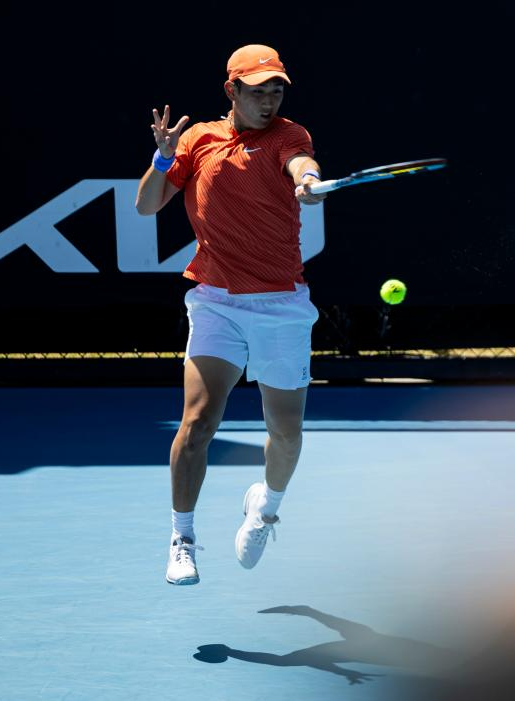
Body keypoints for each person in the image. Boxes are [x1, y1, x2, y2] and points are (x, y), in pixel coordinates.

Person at [135, 44, 326, 585]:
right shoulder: (197, 140)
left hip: (281, 305)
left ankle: (265, 507)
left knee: (286, 434)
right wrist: (163, 159)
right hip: (217, 300)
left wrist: (308, 180)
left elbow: (301, 163)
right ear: (231, 91)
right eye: (258, 91)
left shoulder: (290, 135)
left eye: (277, 91)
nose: (269, 101)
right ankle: (182, 538)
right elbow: (146, 206)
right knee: (197, 422)